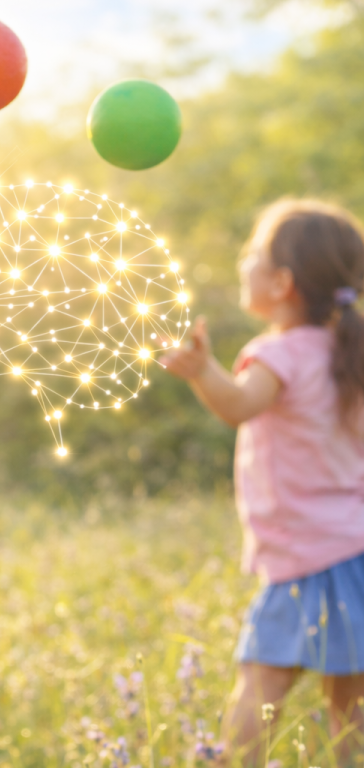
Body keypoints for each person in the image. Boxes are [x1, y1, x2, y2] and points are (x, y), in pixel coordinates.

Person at [163, 199, 364, 765]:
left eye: (253, 252)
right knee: (349, 700)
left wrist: (205, 372)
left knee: (262, 684)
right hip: (357, 550)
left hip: (305, 559)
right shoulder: (351, 351)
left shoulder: (278, 353)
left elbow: (241, 406)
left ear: (281, 283)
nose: (242, 260)